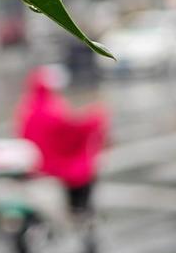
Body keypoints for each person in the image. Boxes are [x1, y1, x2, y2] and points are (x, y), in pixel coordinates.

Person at [15, 65, 109, 218]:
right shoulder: (49, 108)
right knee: (83, 169)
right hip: (52, 163)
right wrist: (94, 119)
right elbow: (68, 131)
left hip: (35, 162)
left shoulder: (27, 107)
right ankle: (79, 209)